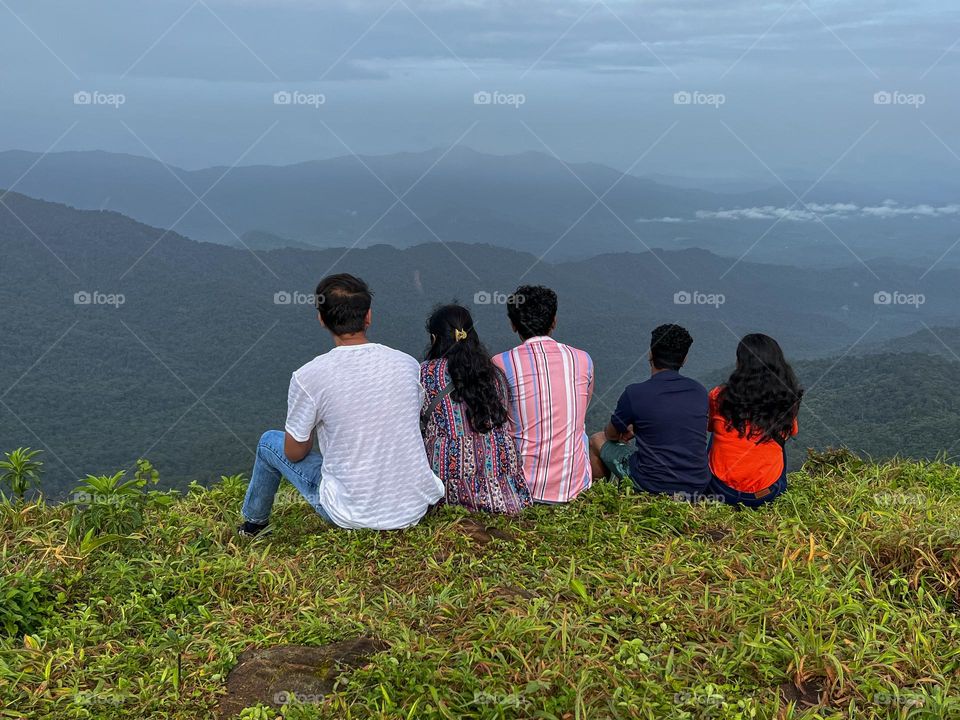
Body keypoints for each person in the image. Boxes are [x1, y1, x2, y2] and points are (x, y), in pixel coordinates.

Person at [239, 273, 444, 535]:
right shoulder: (407, 364)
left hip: (349, 513)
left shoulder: (308, 376)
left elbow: (294, 453)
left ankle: (253, 525)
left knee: (269, 441)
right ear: (368, 316)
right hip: (413, 507)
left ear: (321, 319)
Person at [420, 304, 532, 515]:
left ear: (435, 339)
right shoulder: (494, 374)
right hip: (502, 484)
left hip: (447, 480)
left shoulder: (425, 373)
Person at [492, 286, 594, 503]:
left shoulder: (501, 363)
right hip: (575, 489)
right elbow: (583, 409)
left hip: (522, 488)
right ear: (554, 321)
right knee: (580, 429)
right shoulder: (583, 360)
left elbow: (497, 420)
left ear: (513, 324)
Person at [589, 324, 709, 500]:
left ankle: (599, 498)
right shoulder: (699, 391)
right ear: (684, 360)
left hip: (653, 483)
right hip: (697, 484)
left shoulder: (635, 393)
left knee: (596, 439)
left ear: (650, 354)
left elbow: (611, 435)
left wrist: (631, 428)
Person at [706, 333, 803, 507]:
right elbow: (791, 431)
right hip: (765, 494)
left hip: (721, 491)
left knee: (716, 432)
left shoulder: (718, 396)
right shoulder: (788, 399)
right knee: (778, 438)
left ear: (740, 364)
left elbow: (709, 427)